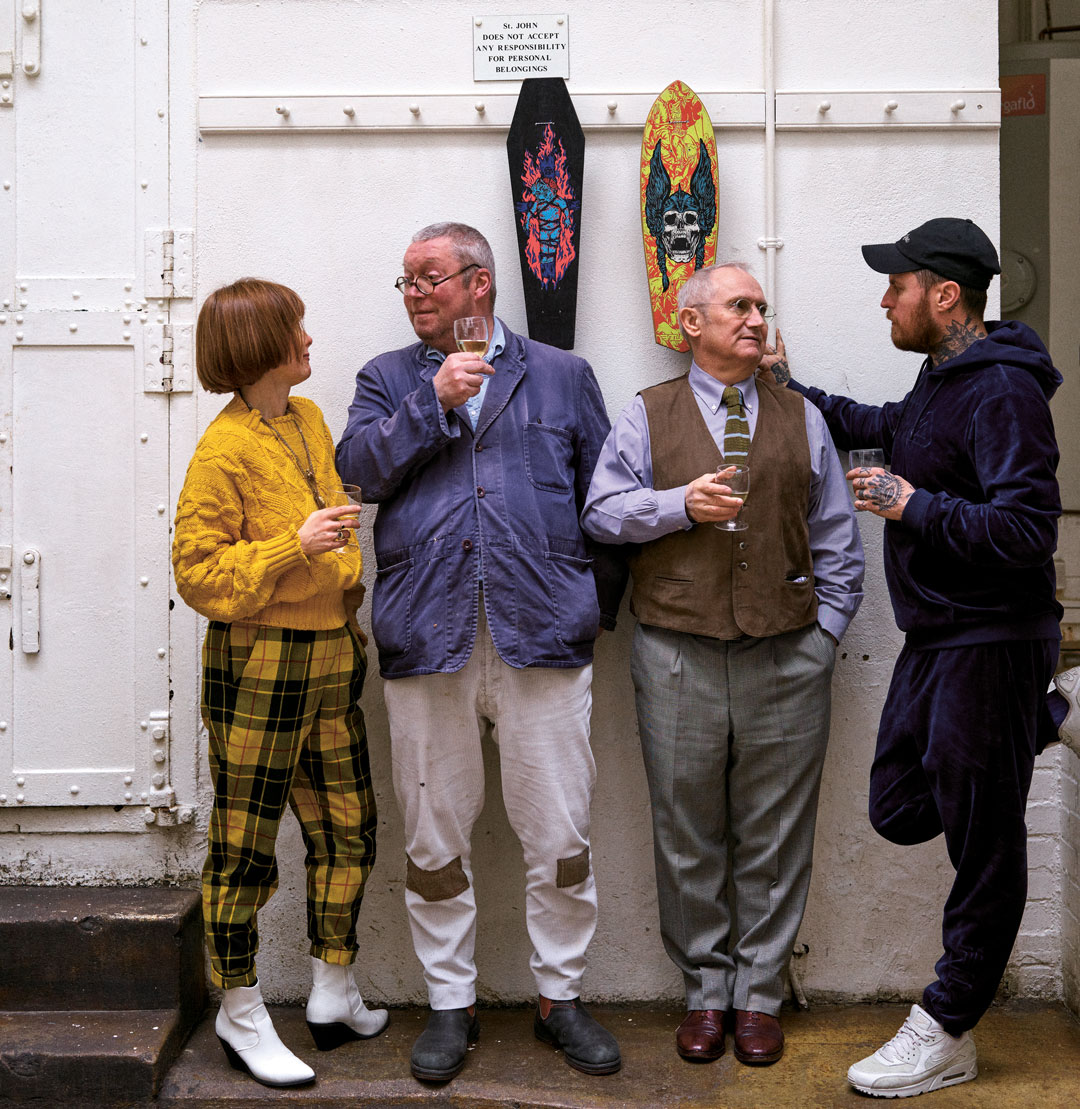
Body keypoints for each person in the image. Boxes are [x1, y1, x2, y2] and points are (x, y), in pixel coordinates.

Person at [761, 217, 1064, 1098]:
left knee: (987, 847)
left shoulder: (1003, 391)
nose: (883, 298)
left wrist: (910, 505)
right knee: (897, 802)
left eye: (896, 284)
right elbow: (881, 425)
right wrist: (790, 390)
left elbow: (1025, 530)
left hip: (990, 638)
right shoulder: (940, 379)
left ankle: (949, 1024)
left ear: (945, 294)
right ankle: (1038, 719)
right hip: (942, 639)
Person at [335, 223, 627, 1082]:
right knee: (433, 838)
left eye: (428, 277)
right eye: (407, 282)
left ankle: (559, 998)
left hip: (543, 636)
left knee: (562, 833)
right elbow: (358, 471)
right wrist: (434, 405)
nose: (415, 292)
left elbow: (605, 500)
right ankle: (450, 1005)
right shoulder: (388, 379)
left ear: (479, 283)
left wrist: (589, 609)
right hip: (428, 636)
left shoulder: (564, 376)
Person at [581, 262, 864, 1068]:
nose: (754, 318)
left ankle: (760, 995)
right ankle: (707, 989)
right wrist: (678, 506)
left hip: (786, 653)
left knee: (777, 832)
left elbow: (837, 536)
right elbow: (600, 512)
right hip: (675, 651)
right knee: (686, 830)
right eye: (739, 306)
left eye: (761, 307)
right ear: (690, 320)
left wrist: (824, 637)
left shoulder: (801, 416)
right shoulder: (647, 413)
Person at [173, 279, 387, 1088]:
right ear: (261, 347)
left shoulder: (308, 419)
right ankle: (240, 1009)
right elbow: (196, 572)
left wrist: (338, 558)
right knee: (244, 845)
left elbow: (336, 513)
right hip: (261, 661)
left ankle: (333, 986)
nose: (309, 340)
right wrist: (291, 548)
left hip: (333, 650)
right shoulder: (222, 449)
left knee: (348, 824)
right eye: (296, 330)